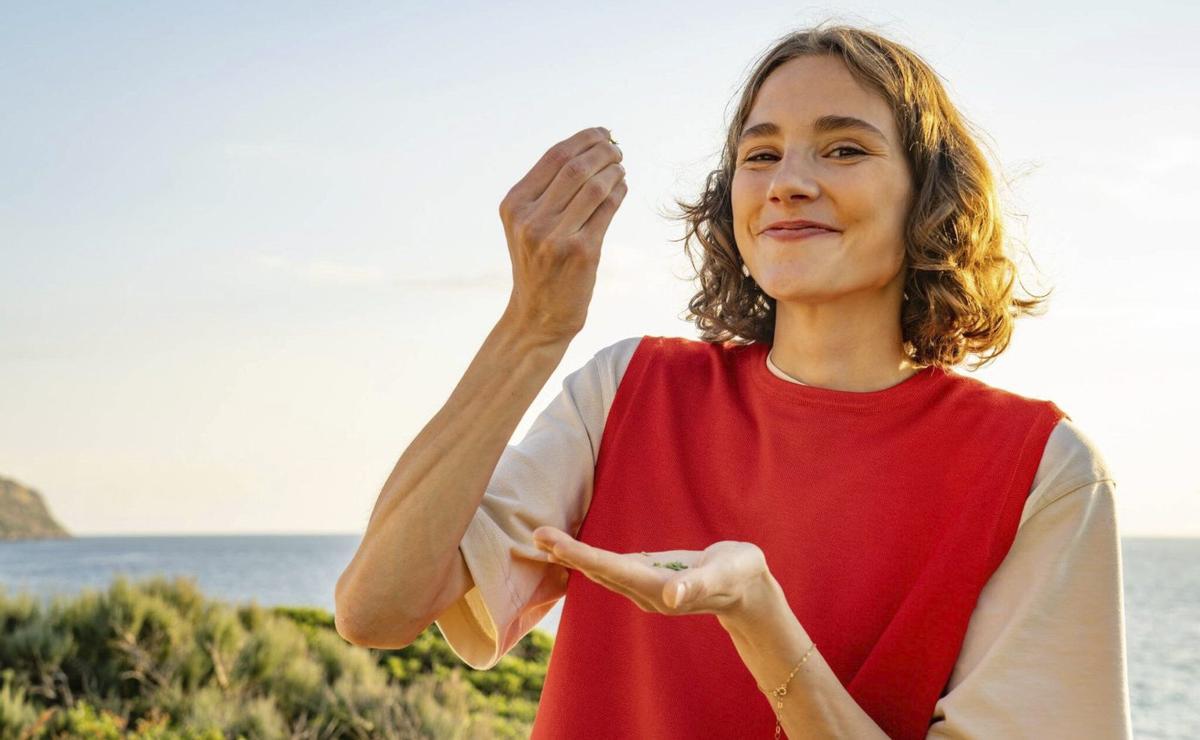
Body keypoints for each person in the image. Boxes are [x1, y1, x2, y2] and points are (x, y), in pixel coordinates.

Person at [334, 23, 1132, 740]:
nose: (786, 181)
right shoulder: (626, 391)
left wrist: (759, 617)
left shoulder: (1042, 474)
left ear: (931, 194)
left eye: (844, 148)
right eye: (760, 154)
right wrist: (532, 329)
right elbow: (377, 608)